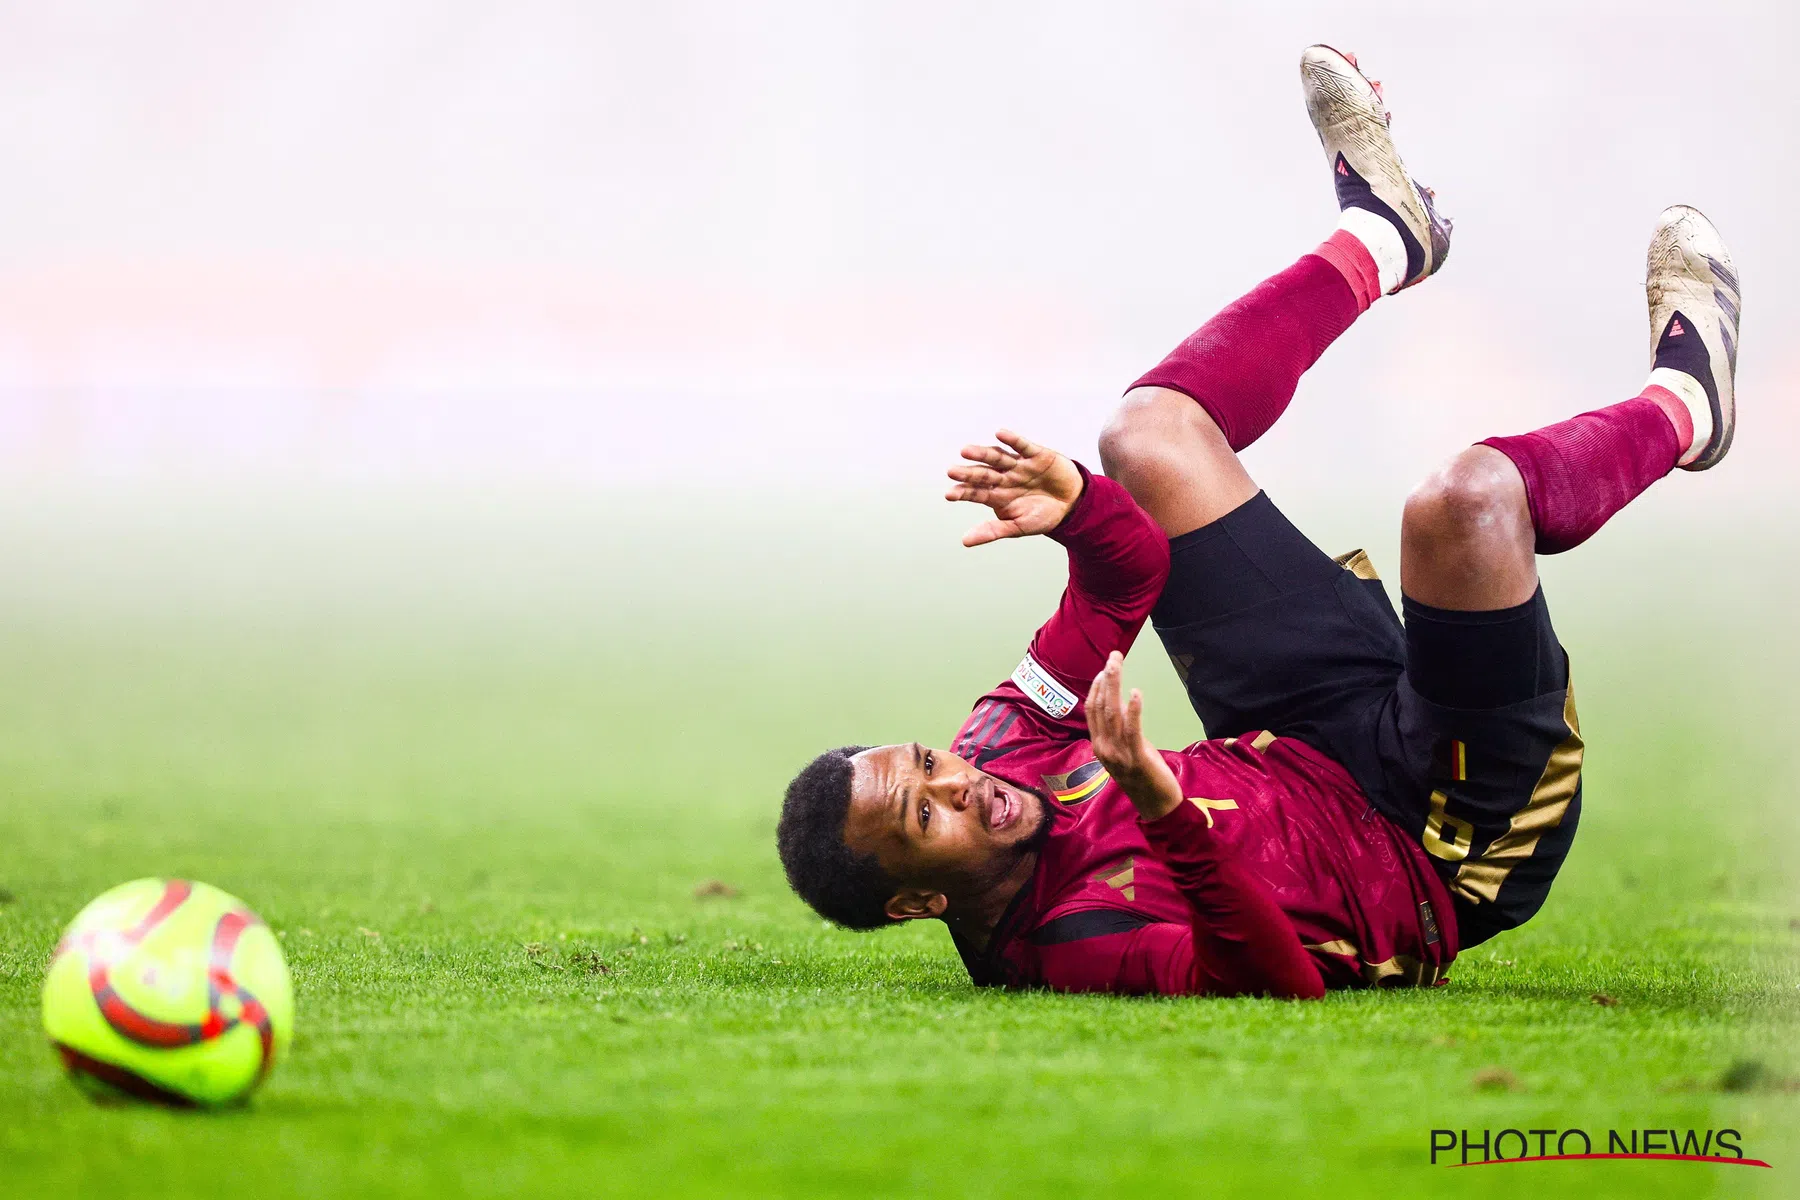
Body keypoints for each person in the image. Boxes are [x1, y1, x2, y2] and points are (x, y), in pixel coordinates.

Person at [775, 45, 1741, 998]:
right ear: (915, 903)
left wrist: (1075, 508)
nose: (959, 784)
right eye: (925, 815)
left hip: (1297, 733)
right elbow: (1275, 982)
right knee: (1464, 504)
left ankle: (1386, 237)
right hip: (1437, 837)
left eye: (930, 763)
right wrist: (1157, 801)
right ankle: (1690, 405)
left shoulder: (997, 748)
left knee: (1142, 436)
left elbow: (1125, 577)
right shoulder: (1064, 947)